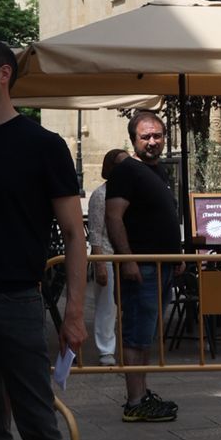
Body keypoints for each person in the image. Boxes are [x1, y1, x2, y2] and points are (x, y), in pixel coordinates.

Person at [0, 39, 108, 440]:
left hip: (19, 298)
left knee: (40, 425)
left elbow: (74, 234)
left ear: (1, 75)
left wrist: (74, 313)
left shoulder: (42, 145)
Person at [105, 109, 183, 423]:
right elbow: (113, 217)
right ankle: (135, 401)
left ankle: (142, 393)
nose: (152, 141)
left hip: (162, 265)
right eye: (145, 136)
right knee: (137, 333)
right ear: (133, 139)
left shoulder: (158, 172)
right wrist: (128, 261)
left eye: (157, 135)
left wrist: (175, 256)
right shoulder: (126, 171)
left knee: (147, 333)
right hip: (143, 267)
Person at [85, 147, 129, 364]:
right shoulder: (100, 195)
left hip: (127, 257)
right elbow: (95, 231)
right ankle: (106, 349)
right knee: (106, 305)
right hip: (108, 256)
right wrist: (99, 263)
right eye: (122, 165)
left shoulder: (130, 194)